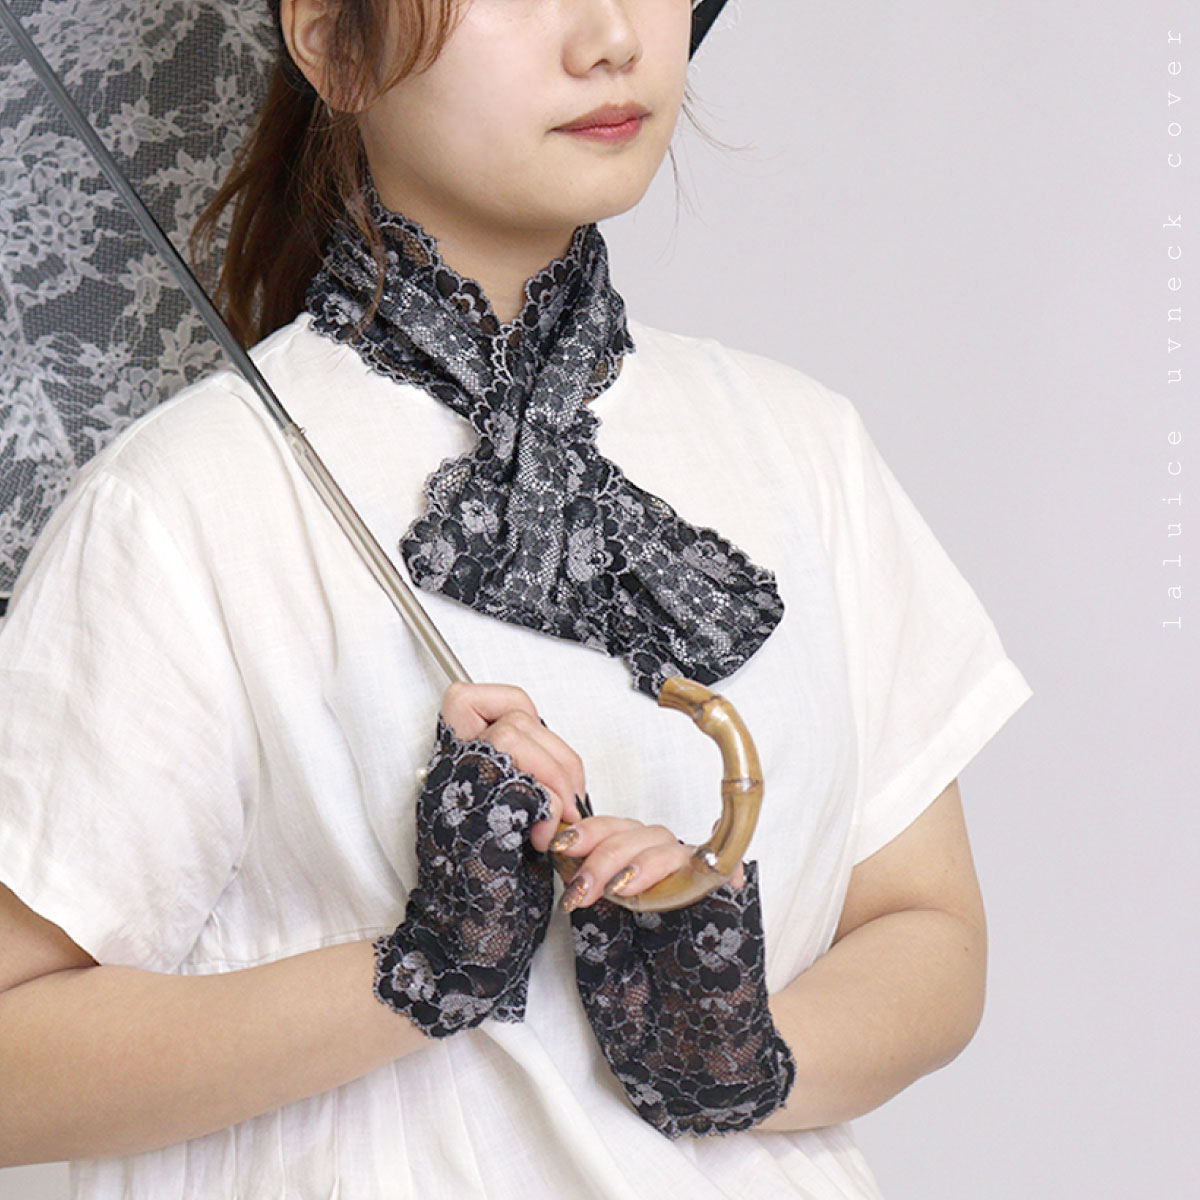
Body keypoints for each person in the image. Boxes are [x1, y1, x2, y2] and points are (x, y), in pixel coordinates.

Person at [0, 1, 1032, 1196]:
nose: (610, 38)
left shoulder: (803, 446)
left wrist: (736, 1058)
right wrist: (418, 971)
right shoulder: (183, 504)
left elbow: (926, 926)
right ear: (334, 42)